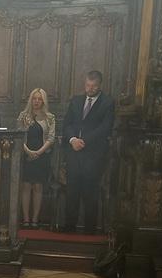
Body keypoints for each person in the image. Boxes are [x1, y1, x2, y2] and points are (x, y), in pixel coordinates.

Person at [62, 70, 115, 234]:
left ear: (100, 85)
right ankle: (69, 227)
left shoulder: (107, 103)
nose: (90, 89)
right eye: (87, 85)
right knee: (72, 191)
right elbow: (67, 124)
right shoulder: (76, 101)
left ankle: (90, 230)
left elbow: (105, 128)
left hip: (94, 154)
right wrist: (73, 140)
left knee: (90, 191)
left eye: (93, 86)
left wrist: (84, 141)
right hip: (74, 152)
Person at [16, 88, 56, 228]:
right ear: (30, 100)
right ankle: (26, 219)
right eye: (34, 98)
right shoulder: (23, 116)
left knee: (38, 186)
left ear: (43, 101)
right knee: (26, 186)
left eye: (40, 99)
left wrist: (38, 152)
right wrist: (28, 152)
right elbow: (19, 136)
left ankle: (35, 220)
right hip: (26, 155)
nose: (37, 101)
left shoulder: (49, 117)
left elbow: (51, 138)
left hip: (42, 155)